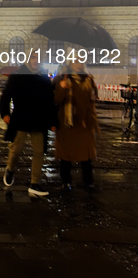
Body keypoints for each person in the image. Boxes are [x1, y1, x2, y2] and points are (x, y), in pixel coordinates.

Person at [0, 54, 56, 197]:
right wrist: (5, 113)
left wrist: (53, 121)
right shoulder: (17, 76)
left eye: (38, 58)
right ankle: (10, 169)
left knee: (39, 152)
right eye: (33, 57)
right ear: (28, 60)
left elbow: (50, 102)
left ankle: (34, 183)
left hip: (39, 121)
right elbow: (6, 96)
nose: (35, 61)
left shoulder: (44, 78)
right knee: (16, 149)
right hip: (21, 119)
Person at [53, 60, 99, 191]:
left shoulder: (88, 79)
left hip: (84, 123)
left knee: (86, 155)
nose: (79, 64)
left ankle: (88, 181)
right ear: (69, 64)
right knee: (66, 155)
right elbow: (56, 100)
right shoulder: (61, 79)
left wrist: (92, 118)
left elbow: (92, 100)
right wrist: (62, 88)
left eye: (81, 62)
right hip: (67, 123)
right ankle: (66, 181)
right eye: (75, 62)